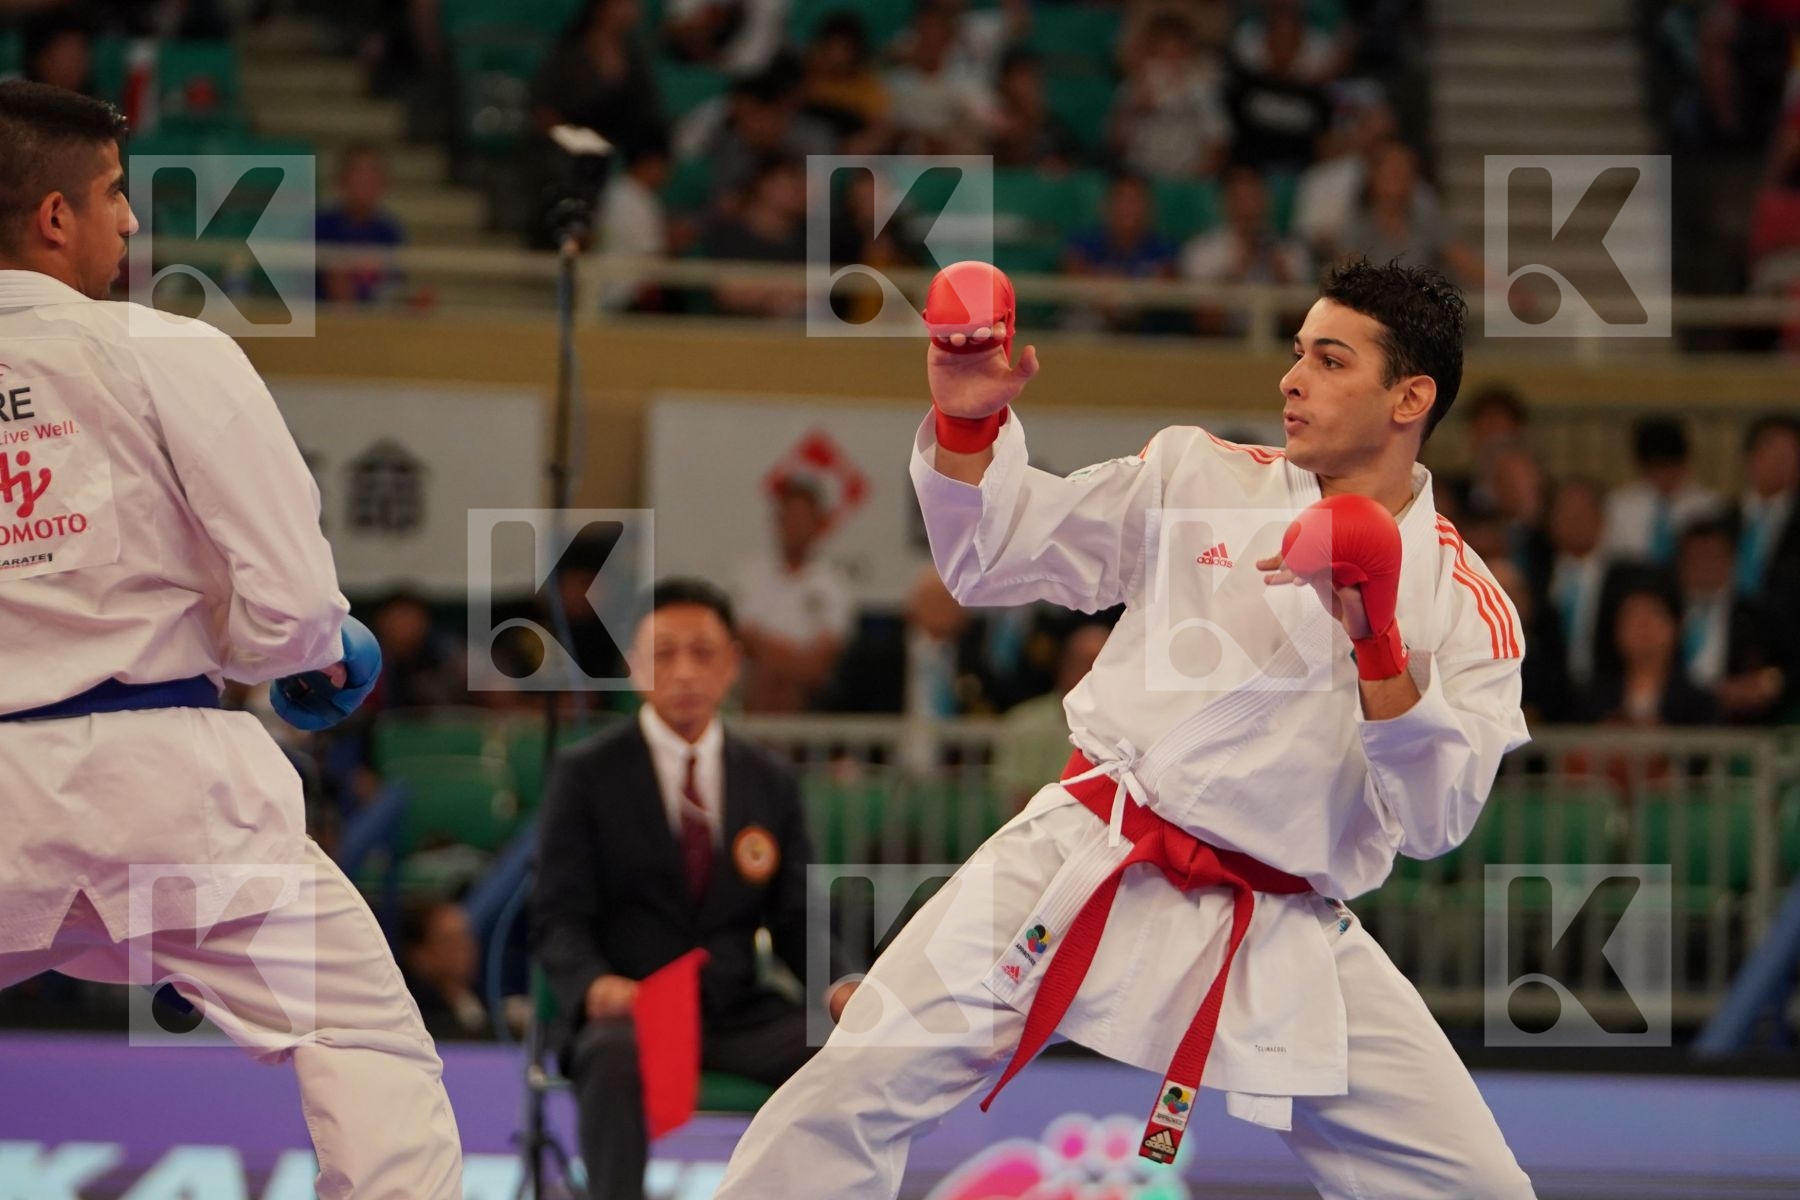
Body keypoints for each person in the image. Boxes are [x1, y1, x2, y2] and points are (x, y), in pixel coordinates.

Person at [714, 257, 1535, 1199]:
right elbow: (998, 556)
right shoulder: (1198, 476)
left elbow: (1434, 821)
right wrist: (970, 420)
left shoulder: (1468, 606)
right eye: (1297, 351)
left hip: (1280, 917)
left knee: (1480, 1186)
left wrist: (1378, 642)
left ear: (1411, 397)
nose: (1291, 378)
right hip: (1089, 851)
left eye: (1332, 360)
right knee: (849, 1086)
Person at [0, 82, 461, 1197]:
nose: (130, 224)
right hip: (170, 801)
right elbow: (292, 602)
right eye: (112, 196)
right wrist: (315, 655)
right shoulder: (168, 352)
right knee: (364, 1042)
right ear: (55, 219)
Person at [532, 578, 854, 1200]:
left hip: (735, 1012)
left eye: (703, 653)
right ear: (633, 666)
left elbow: (797, 918)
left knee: (844, 1051)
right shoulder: (586, 776)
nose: (684, 672)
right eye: (664, 653)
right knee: (613, 1052)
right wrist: (595, 984)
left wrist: (841, 985)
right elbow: (559, 915)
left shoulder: (769, 781)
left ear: (732, 664)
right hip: (634, 1010)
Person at [734, 478, 855, 713]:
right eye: (790, 517)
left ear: (818, 525)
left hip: (807, 697)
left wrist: (774, 659)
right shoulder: (748, 577)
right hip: (752, 686)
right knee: (765, 678)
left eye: (803, 518)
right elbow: (744, 641)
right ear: (777, 522)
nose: (796, 526)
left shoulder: (835, 586)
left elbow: (819, 663)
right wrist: (789, 658)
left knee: (785, 683)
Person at [1600, 417, 1723, 566]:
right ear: (1641, 467)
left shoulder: (1709, 506)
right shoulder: (1618, 506)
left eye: (1670, 467)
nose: (1664, 476)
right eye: (1656, 468)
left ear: (1685, 463)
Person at [314, 141, 407, 305]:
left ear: (383, 182)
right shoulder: (320, 227)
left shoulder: (389, 232)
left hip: (373, 324)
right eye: (358, 173)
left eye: (372, 174)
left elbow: (394, 287)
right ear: (342, 180)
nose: (364, 181)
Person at [401, 899, 490, 1041]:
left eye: (466, 937)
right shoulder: (414, 1013)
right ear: (420, 954)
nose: (464, 948)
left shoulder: (486, 999)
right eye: (449, 940)